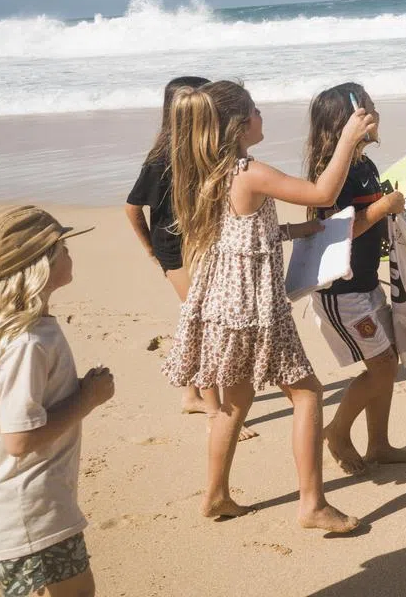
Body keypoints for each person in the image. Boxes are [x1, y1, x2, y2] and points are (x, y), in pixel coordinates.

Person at [160, 80, 373, 532]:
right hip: (253, 310)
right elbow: (322, 193)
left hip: (221, 305)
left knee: (236, 402)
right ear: (238, 125)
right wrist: (349, 139)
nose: (262, 116)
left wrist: (294, 233)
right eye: (255, 110)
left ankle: (216, 495)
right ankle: (312, 505)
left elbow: (238, 234)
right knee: (308, 393)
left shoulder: (209, 172)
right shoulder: (249, 170)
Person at [0, 205, 113, 597]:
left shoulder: (17, 333)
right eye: (62, 246)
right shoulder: (27, 343)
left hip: (25, 507)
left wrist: (72, 390)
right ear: (37, 265)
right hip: (30, 513)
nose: (70, 253)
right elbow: (20, 440)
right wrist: (88, 399)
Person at [303, 82, 406, 474]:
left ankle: (379, 445)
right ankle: (337, 432)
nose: (376, 111)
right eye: (368, 106)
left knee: (387, 365)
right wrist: (382, 208)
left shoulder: (363, 166)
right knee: (383, 367)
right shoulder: (334, 174)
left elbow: (374, 221)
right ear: (349, 120)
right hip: (342, 292)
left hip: (367, 283)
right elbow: (334, 229)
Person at [125, 75, 257, 438]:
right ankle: (214, 410)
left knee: (196, 317)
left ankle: (190, 395)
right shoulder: (162, 157)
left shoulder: (199, 148)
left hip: (197, 246)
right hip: (174, 251)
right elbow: (132, 208)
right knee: (206, 322)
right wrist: (152, 250)